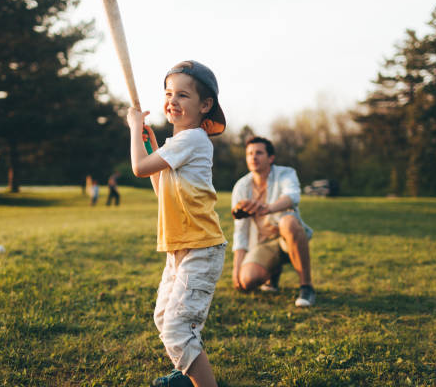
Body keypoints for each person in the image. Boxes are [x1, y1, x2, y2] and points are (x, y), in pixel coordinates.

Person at [126, 60, 227, 387]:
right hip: (181, 248)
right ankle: (187, 374)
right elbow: (159, 185)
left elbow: (139, 169)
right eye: (169, 93)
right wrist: (150, 142)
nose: (173, 100)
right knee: (164, 319)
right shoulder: (178, 146)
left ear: (205, 105)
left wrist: (132, 128)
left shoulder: (192, 140)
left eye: (183, 95)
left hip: (201, 248)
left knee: (177, 328)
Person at [231, 136, 316, 307]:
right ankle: (272, 275)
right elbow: (240, 231)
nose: (253, 157)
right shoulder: (241, 186)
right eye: (249, 153)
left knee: (288, 222)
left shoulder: (285, 173)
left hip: (289, 238)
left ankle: (306, 287)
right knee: (247, 280)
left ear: (270, 158)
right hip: (263, 244)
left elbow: (292, 197)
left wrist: (267, 208)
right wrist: (236, 268)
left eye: (259, 153)